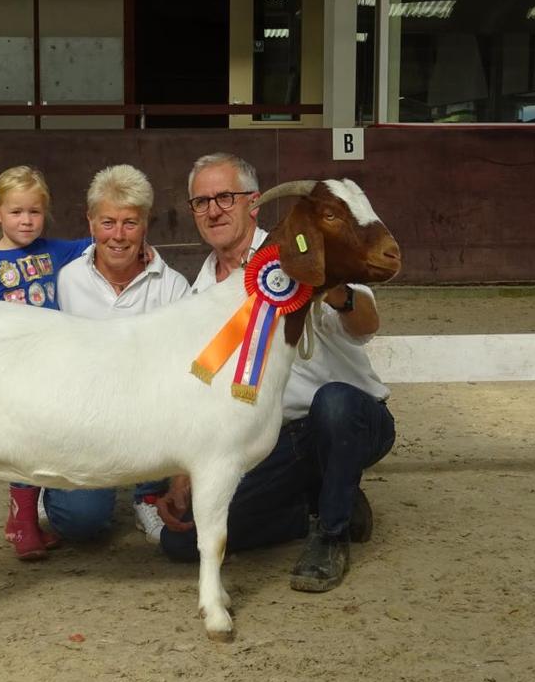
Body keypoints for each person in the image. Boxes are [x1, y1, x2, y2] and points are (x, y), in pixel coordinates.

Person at [155, 152, 396, 593]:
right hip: (271, 443)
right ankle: (317, 504)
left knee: (334, 404)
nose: (214, 210)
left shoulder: (306, 250)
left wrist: (335, 293)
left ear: (254, 203)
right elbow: (199, 396)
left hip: (350, 420)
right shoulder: (198, 293)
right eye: (201, 201)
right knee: (179, 543)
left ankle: (331, 536)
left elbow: (367, 326)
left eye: (226, 197)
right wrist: (182, 475)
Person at [43, 163, 190, 543]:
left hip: (151, 424)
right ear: (90, 223)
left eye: (130, 223)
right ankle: (57, 490)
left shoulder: (174, 287)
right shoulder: (66, 280)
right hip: (84, 425)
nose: (119, 236)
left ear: (146, 224)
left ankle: (148, 494)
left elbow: (186, 378)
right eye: (108, 222)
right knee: (81, 523)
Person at [0, 165, 91, 561]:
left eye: (34, 212)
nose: (26, 220)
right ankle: (22, 520)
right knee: (23, 442)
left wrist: (138, 245)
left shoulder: (55, 250)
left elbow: (98, 242)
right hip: (9, 369)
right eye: (16, 212)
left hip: (51, 366)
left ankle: (35, 511)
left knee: (48, 437)